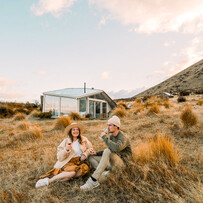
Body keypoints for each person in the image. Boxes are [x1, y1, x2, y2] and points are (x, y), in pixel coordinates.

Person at [80, 115, 132, 191]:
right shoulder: (111, 136)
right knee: (91, 157)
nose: (108, 127)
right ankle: (103, 173)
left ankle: (93, 180)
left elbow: (115, 148)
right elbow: (109, 149)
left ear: (116, 126)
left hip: (122, 164)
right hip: (113, 162)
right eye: (107, 125)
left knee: (107, 151)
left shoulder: (123, 137)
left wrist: (104, 137)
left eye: (110, 125)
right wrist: (96, 153)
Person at [35, 123, 93, 188]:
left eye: (77, 130)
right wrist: (66, 150)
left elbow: (90, 148)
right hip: (69, 162)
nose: (75, 131)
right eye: (73, 130)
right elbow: (59, 157)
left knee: (84, 169)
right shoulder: (66, 141)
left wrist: (85, 154)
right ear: (70, 131)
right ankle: (49, 181)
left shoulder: (84, 139)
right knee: (72, 173)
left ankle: (65, 176)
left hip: (80, 161)